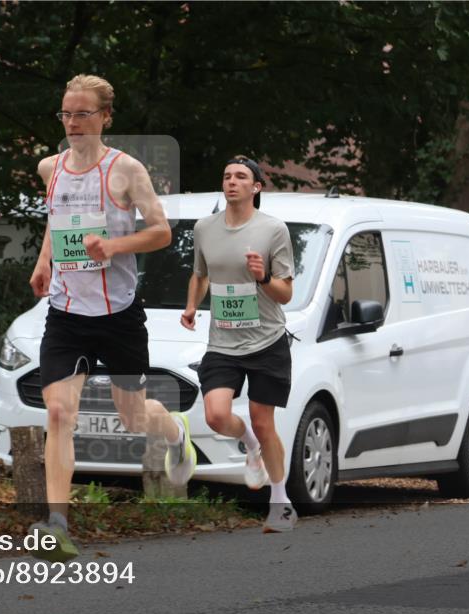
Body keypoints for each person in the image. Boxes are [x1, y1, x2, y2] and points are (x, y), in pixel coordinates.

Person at [27, 74, 197, 561]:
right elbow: (56, 222)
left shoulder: (127, 172)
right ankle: (57, 524)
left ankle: (176, 433)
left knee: (133, 417)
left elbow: (162, 232)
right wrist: (44, 262)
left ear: (105, 117)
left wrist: (115, 245)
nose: (73, 124)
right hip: (65, 314)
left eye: (83, 114)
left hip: (118, 315)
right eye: (66, 114)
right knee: (59, 413)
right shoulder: (49, 168)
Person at [180, 155, 298, 532]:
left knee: (266, 422)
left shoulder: (273, 230)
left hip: (267, 340)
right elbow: (200, 274)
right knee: (216, 414)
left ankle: (280, 504)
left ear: (256, 187)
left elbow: (285, 294)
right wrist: (191, 306)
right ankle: (248, 445)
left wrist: (263, 278)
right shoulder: (204, 228)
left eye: (241, 176)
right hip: (223, 341)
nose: (231, 181)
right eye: (227, 175)